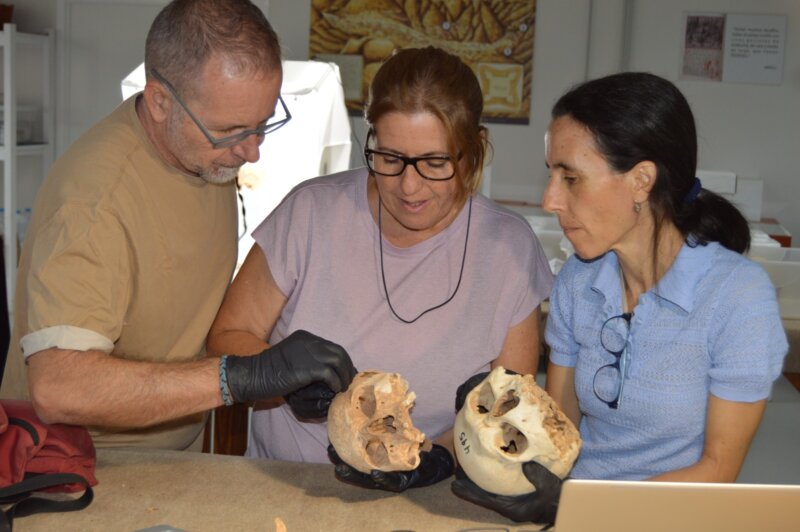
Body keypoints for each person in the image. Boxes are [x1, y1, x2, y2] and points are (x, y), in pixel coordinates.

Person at [0, 0, 355, 451]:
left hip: (171, 454)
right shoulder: (94, 204)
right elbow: (59, 388)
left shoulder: (203, 156)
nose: (252, 152)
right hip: (83, 466)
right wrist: (237, 378)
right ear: (160, 101)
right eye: (231, 130)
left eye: (263, 124)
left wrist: (277, 372)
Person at [206, 46, 554, 490]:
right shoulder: (310, 213)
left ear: (472, 151)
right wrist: (280, 377)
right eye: (389, 159)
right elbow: (226, 336)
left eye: (434, 163)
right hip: (285, 482)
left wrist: (439, 459)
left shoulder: (509, 250)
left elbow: (505, 413)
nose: (409, 186)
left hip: (427, 499)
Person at [452, 72, 788, 524]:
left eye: (571, 178)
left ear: (641, 181)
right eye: (551, 175)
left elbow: (716, 470)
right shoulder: (579, 280)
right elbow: (559, 431)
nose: (550, 199)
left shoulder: (738, 297)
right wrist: (498, 452)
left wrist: (582, 507)